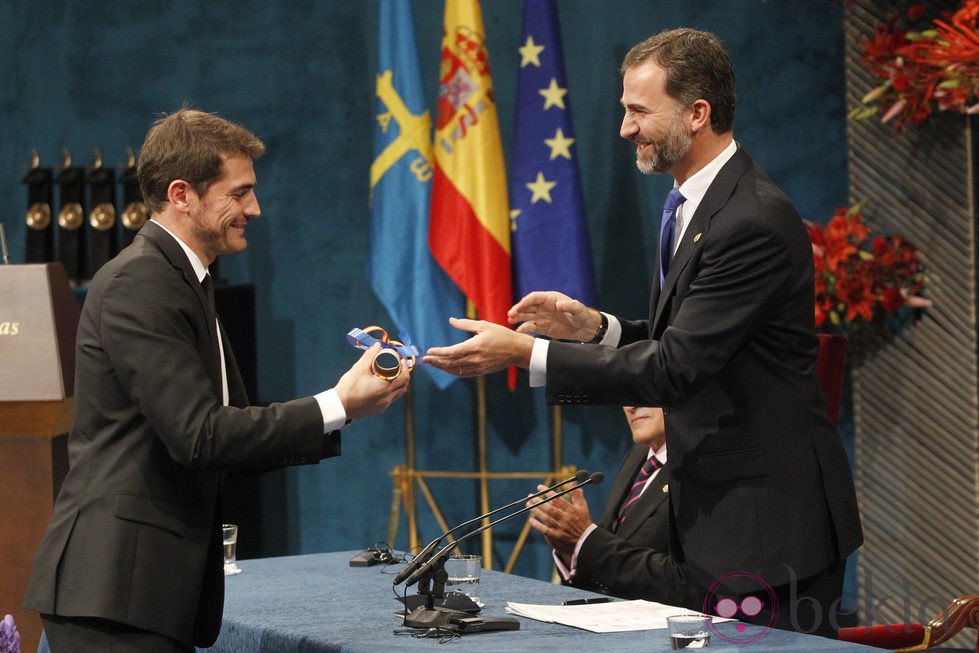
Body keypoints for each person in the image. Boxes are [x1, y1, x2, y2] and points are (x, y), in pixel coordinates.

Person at [424, 28, 862, 636]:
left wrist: (528, 353)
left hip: (769, 534)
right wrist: (595, 328)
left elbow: (676, 368)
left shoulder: (750, 219)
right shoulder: (694, 204)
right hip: (722, 525)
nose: (625, 128)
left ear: (697, 113)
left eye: (637, 111)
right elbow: (682, 340)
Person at [23, 108, 411, 652]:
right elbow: (200, 436)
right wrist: (334, 404)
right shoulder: (142, 283)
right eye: (239, 193)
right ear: (181, 194)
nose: (254, 208)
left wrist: (348, 405)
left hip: (145, 596)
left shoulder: (187, 280)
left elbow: (230, 442)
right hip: (113, 595)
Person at [527, 406, 700, 609]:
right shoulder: (637, 457)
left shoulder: (699, 466)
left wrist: (586, 540)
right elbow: (612, 553)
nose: (631, 406)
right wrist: (572, 550)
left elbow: (689, 583)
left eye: (645, 390)